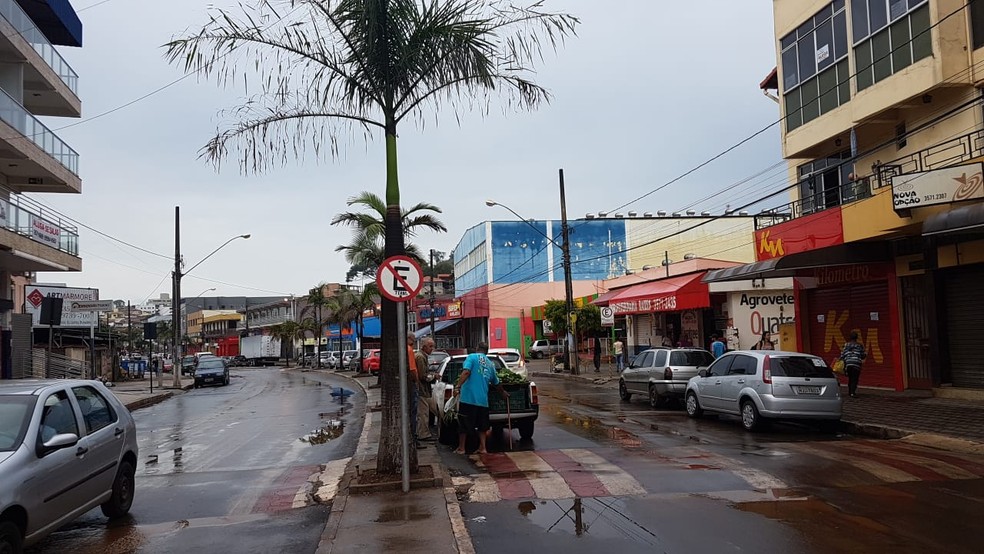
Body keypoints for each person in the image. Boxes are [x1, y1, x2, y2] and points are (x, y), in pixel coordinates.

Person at [454, 342, 508, 455]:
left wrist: (458, 386)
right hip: (483, 401)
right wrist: (503, 393)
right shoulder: (490, 364)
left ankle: (461, 448)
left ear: (477, 348)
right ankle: (483, 448)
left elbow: (466, 372)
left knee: (463, 425)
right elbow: (496, 382)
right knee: (482, 426)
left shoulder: (471, 357)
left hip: (468, 399)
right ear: (486, 352)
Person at [414, 337, 436, 441]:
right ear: (424, 347)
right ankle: (423, 434)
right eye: (430, 346)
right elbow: (423, 375)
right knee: (423, 413)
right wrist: (433, 376)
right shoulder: (420, 357)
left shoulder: (422, 356)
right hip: (421, 389)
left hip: (423, 389)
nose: (432, 349)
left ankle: (422, 433)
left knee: (424, 412)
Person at [406, 335, 425, 448]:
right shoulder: (409, 350)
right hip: (410, 384)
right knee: (413, 412)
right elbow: (413, 370)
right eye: (413, 341)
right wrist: (416, 382)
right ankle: (413, 438)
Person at [839, 331, 867, 398]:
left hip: (848, 364)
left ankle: (850, 392)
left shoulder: (846, 345)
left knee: (850, 378)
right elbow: (863, 355)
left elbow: (842, 355)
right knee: (854, 379)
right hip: (856, 364)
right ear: (857, 338)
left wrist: (841, 360)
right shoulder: (859, 345)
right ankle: (852, 392)